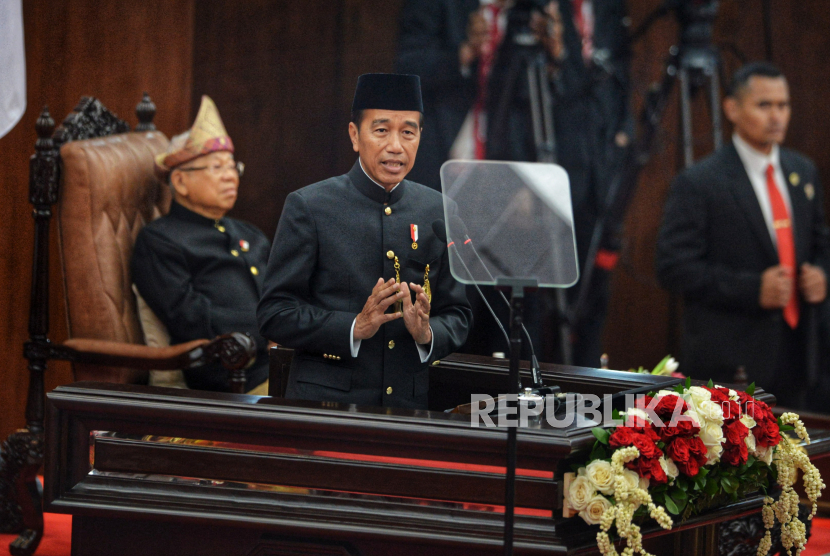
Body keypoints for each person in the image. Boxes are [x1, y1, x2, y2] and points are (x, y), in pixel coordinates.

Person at [396, 0, 632, 367]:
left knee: (516, 309)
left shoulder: (544, 11)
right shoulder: (450, 9)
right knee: (446, 299)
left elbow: (577, 95)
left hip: (516, 182)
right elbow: (407, 66)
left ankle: (517, 395)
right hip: (451, 168)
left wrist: (556, 55)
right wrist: (464, 52)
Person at [257, 73, 472, 409]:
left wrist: (426, 333)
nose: (396, 146)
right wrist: (354, 326)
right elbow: (274, 313)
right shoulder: (310, 206)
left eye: (408, 133)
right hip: (325, 408)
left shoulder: (440, 211)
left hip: (407, 407)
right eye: (382, 130)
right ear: (355, 135)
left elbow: (458, 314)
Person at [656, 62, 830, 407]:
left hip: (801, 354)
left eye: (783, 105)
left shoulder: (802, 171)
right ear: (732, 109)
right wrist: (752, 289)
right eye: (764, 105)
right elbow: (673, 267)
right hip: (731, 359)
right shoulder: (701, 182)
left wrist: (823, 275)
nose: (776, 116)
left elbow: (820, 242)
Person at [132, 96, 270, 394]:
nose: (230, 177)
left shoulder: (249, 233)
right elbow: (193, 321)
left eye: (233, 167)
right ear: (180, 182)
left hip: (286, 367)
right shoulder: (160, 241)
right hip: (234, 382)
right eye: (217, 167)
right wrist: (275, 330)